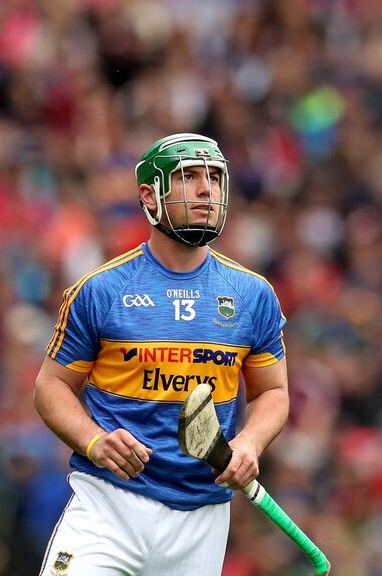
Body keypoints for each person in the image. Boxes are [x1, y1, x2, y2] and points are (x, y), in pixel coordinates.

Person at [34, 133, 290, 575]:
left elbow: (274, 393)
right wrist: (93, 441)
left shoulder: (253, 294)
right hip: (110, 504)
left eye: (214, 177)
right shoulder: (102, 290)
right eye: (189, 177)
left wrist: (250, 442)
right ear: (150, 196)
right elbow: (50, 385)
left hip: (202, 517)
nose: (207, 190)